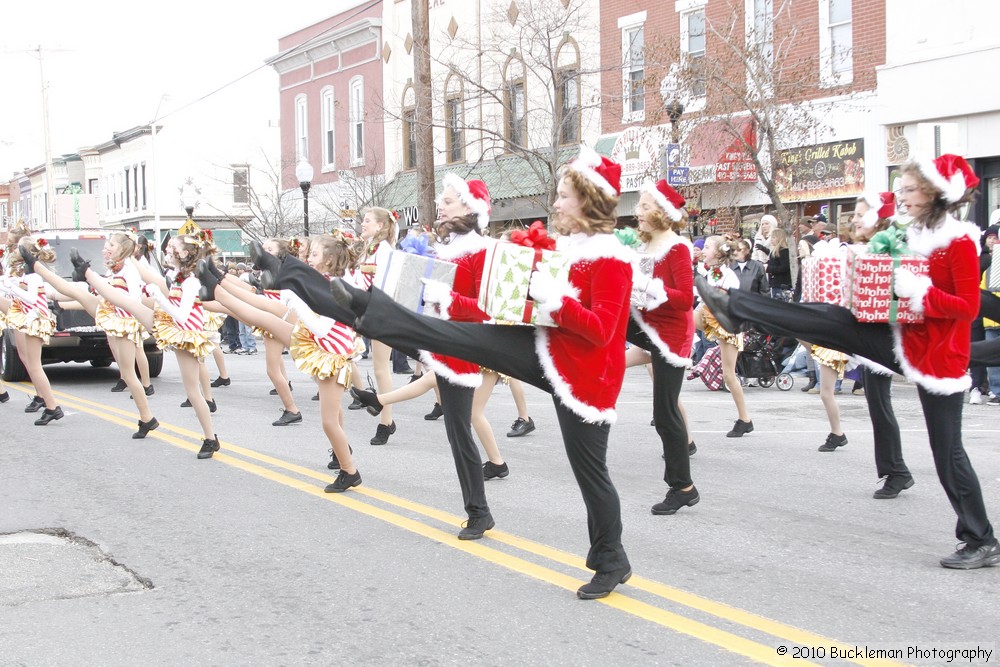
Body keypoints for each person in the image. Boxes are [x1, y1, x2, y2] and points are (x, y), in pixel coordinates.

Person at [268, 147, 635, 598]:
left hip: (586, 378)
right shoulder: (567, 249)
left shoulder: (612, 258)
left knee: (589, 471)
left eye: (563, 196)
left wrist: (557, 301)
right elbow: (509, 309)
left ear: (590, 200)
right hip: (548, 349)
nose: (555, 204)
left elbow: (601, 332)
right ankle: (340, 297)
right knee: (451, 336)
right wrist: (454, 304)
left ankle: (612, 559)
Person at [697, 155, 998, 568]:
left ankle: (981, 538)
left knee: (948, 452)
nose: (901, 196)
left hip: (938, 358)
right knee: (832, 320)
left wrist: (918, 290)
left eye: (909, 189)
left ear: (933, 193)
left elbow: (966, 308)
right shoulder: (915, 233)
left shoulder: (959, 241)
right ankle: (737, 307)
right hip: (903, 338)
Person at [199, 233, 362, 488]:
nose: (308, 258)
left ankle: (349, 471)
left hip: (331, 352)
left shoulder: (337, 286)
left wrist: (297, 304)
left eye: (314, 254)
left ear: (329, 260)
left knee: (329, 421)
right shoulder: (324, 279)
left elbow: (321, 327)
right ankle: (215, 285)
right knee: (263, 318)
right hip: (320, 342)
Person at [73, 234, 223, 458]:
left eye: (172, 247)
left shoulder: (191, 280)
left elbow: (182, 315)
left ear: (184, 253)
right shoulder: (176, 275)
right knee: (131, 305)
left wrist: (159, 299)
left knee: (193, 392)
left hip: (187, 335)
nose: (167, 250)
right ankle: (87, 273)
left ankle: (211, 439)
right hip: (173, 327)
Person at [23, 232, 159, 438]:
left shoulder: (130, 271)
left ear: (122, 250)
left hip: (123, 323)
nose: (105, 248)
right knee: (76, 292)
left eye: (110, 245)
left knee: (129, 375)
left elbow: (131, 300)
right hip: (111, 315)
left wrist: (99, 287)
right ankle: (36, 266)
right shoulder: (115, 270)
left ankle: (147, 418)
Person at [629, 179, 698, 514]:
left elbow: (686, 300)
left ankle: (683, 486)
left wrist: (652, 288)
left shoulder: (677, 247)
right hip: (648, 326)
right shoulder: (645, 249)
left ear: (661, 212)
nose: (636, 212)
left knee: (665, 413)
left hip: (670, 335)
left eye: (643, 206)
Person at [694, 234, 753, 437]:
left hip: (729, 326)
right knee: (684, 319)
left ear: (718, 253)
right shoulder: (714, 272)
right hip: (716, 320)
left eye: (708, 247)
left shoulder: (722, 274)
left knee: (729, 375)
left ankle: (745, 419)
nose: (703, 250)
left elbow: (723, 301)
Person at [4, 236, 64, 425]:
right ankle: (48, 404)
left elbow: (30, 299)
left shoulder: (33, 275)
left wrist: (12, 287)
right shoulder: (27, 274)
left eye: (18, 249)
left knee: (35, 366)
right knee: (32, 364)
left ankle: (52, 406)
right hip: (30, 319)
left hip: (35, 320)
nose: (14, 252)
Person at [356, 208, 399, 445]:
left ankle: (386, 421)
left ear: (380, 226)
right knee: (377, 366)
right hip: (369, 311)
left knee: (382, 368)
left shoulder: (384, 251)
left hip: (382, 312)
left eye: (367, 221)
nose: (363, 224)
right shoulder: (369, 249)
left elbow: (384, 286)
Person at [765, 228, 792, 300]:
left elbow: (784, 267)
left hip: (781, 284)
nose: (771, 239)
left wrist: (768, 268)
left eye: (773, 237)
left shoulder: (784, 251)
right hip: (775, 283)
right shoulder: (774, 251)